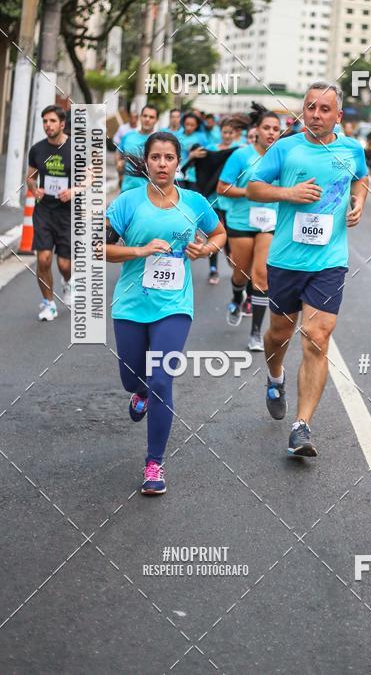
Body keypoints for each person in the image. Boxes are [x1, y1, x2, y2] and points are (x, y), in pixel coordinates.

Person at [247, 81, 368, 457]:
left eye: (324, 109)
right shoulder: (285, 148)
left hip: (329, 262)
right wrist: (288, 193)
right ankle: (275, 375)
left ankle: (302, 426)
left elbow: (360, 176)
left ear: (338, 115)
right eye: (310, 107)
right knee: (278, 334)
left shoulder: (351, 149)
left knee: (317, 335)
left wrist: (359, 200)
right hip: (285, 260)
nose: (316, 114)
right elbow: (253, 188)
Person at [105, 132, 226, 495]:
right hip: (130, 303)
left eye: (169, 157)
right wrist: (140, 251)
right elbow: (100, 249)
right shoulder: (127, 203)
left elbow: (219, 234)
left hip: (174, 305)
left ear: (178, 162)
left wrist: (206, 250)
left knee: (161, 380)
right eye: (155, 157)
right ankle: (137, 391)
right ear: (146, 162)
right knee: (133, 378)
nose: (162, 164)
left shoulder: (193, 202)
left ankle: (154, 463)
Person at [217, 110, 281, 350]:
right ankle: (236, 296)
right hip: (241, 222)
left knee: (261, 276)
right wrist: (250, 192)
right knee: (240, 273)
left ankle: (255, 333)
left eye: (276, 129)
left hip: (269, 223)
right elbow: (222, 188)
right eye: (267, 128)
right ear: (257, 131)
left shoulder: (282, 157)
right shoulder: (241, 156)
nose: (271, 132)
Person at [26, 105, 73, 321]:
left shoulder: (76, 148)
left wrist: (74, 190)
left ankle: (67, 281)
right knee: (44, 259)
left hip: (68, 213)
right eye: (45, 121)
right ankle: (49, 303)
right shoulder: (37, 149)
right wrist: (35, 190)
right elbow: (31, 177)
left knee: (65, 264)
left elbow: (90, 178)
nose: (48, 125)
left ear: (62, 124)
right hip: (44, 210)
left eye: (52, 121)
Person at [203, 118, 245, 285]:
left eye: (230, 132)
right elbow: (201, 167)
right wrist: (194, 156)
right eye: (224, 132)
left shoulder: (240, 151)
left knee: (229, 236)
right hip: (213, 200)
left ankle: (236, 265)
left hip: (231, 201)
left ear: (235, 134)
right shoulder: (211, 149)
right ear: (220, 133)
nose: (227, 135)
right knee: (214, 233)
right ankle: (213, 268)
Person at [117, 105, 158, 192]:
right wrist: (119, 168)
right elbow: (118, 155)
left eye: (151, 117)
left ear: (156, 120)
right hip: (126, 189)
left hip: (149, 192)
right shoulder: (128, 136)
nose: (147, 119)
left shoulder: (159, 140)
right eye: (145, 116)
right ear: (140, 117)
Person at [177, 112, 205, 191]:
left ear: (197, 126)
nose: (189, 127)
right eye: (187, 124)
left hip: (194, 175)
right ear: (183, 123)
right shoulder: (177, 136)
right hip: (178, 173)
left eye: (192, 125)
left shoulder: (201, 137)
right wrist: (190, 155)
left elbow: (206, 152)